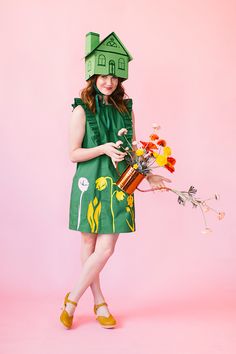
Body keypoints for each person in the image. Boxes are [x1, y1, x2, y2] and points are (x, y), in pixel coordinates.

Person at [60, 32, 169, 330]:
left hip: (120, 183)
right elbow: (73, 153)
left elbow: (134, 150)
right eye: (104, 75)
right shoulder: (82, 109)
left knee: (106, 248)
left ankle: (71, 299)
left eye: (114, 77)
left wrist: (150, 172)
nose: (109, 81)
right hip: (89, 181)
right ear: (93, 74)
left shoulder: (126, 110)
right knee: (89, 241)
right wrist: (103, 149)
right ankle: (99, 302)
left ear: (120, 79)